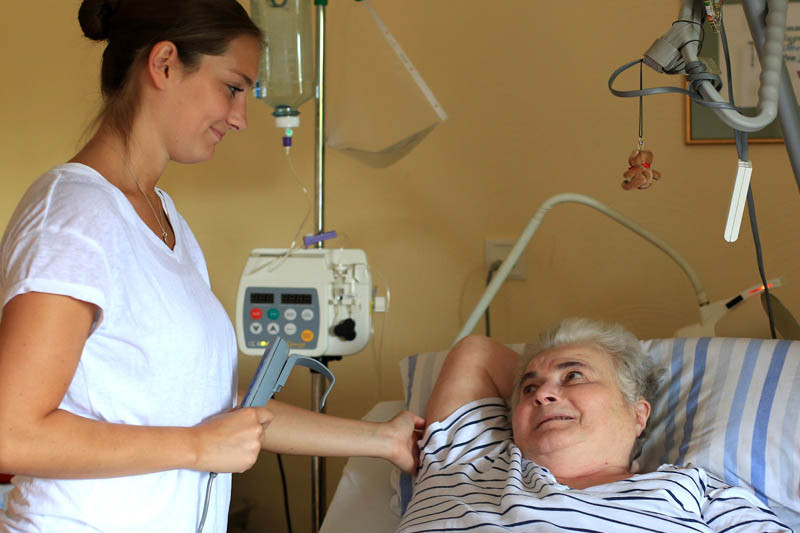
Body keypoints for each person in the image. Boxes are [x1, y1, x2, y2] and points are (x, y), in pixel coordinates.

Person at [0, 1, 423, 532]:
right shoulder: (74, 216)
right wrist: (198, 448)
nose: (241, 118)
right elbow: (12, 433)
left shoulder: (164, 219)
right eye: (233, 87)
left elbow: (219, 411)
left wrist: (385, 439)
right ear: (165, 64)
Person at [397, 317, 792, 533]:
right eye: (529, 387)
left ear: (638, 413)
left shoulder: (693, 494)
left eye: (574, 377)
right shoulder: (470, 461)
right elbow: (476, 352)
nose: (541, 395)